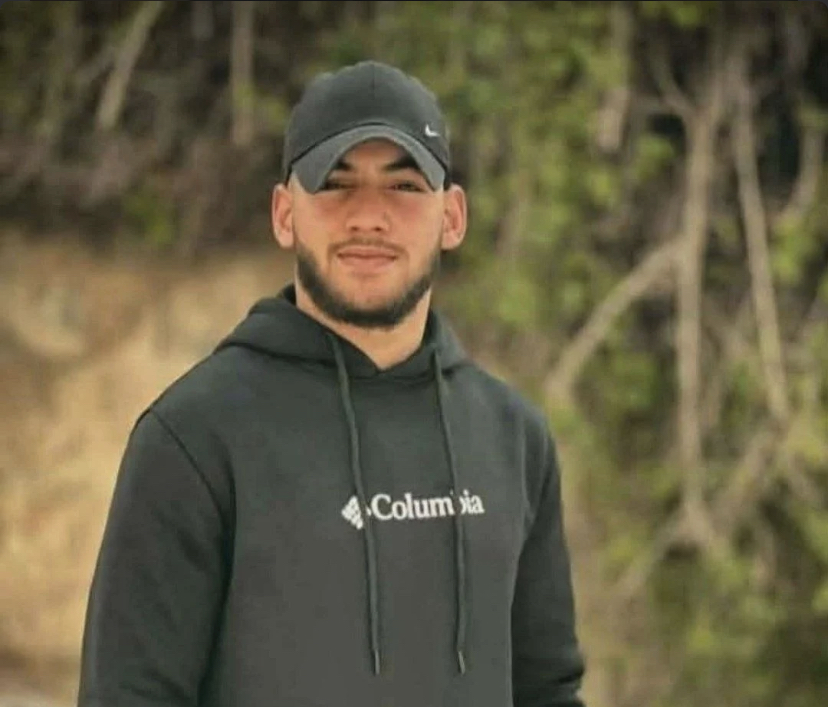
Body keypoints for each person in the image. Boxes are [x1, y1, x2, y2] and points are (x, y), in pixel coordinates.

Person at [77, 59, 587, 707]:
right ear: (284, 213)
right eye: (335, 183)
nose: (368, 216)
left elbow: (548, 690)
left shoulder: (514, 438)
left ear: (452, 217)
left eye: (404, 186)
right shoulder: (193, 437)